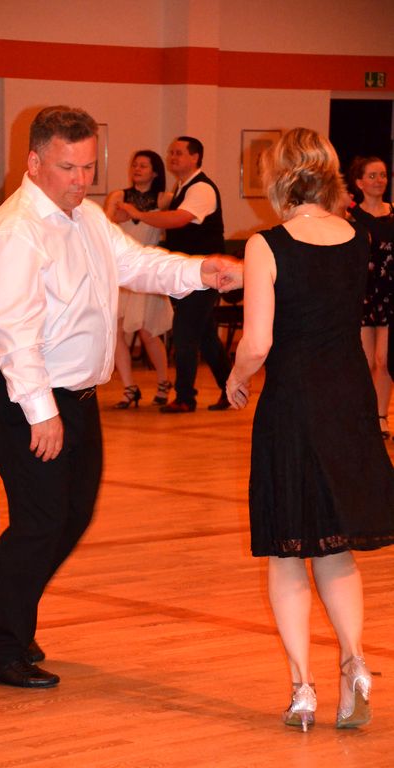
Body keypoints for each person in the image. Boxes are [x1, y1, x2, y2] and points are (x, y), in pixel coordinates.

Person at [0, 106, 234, 689]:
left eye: (89, 167)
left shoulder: (86, 217)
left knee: (74, 513)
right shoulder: (16, 232)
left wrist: (201, 271)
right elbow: (15, 334)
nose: (81, 180)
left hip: (79, 397)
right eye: (68, 167)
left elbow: (136, 263)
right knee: (40, 521)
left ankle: (5, 602)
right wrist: (42, 412)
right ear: (34, 162)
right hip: (27, 397)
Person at [226, 128, 394, 731]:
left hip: (294, 404)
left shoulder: (266, 244)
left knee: (288, 549)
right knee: (336, 547)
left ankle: (303, 688)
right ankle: (356, 664)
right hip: (349, 400)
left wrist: (235, 377)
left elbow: (258, 342)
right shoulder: (356, 236)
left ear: (278, 177)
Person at [118, 136, 231, 413]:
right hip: (192, 273)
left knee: (184, 333)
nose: (172, 157)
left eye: (179, 153)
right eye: (171, 152)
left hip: (204, 274)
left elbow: (178, 219)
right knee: (205, 336)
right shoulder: (182, 187)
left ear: (195, 157)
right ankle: (231, 389)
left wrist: (139, 214)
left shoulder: (202, 188)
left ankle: (185, 398)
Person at [104, 150, 173, 408]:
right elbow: (105, 226)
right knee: (115, 330)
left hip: (147, 268)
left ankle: (164, 382)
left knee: (148, 331)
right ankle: (129, 387)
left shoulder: (164, 199)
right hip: (121, 270)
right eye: (135, 165)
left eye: (143, 166)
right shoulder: (118, 196)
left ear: (155, 172)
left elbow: (169, 224)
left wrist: (138, 213)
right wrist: (118, 216)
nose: (137, 169)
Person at [347, 156, 393, 439]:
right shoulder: (349, 218)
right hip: (361, 294)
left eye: (383, 175)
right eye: (373, 176)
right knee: (363, 361)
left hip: (390, 294)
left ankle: (381, 416)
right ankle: (362, 416)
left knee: (384, 359)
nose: (379, 181)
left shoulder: (393, 212)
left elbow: (384, 234)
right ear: (359, 182)